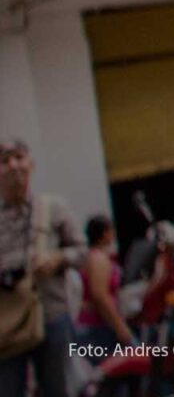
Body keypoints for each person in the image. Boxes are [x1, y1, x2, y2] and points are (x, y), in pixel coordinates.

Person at [0, 138, 85, 397]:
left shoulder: (54, 208)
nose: (13, 165)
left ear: (31, 165)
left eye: (19, 157)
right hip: (7, 326)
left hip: (51, 316)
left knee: (59, 389)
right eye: (4, 161)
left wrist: (58, 258)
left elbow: (82, 252)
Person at [75, 215, 132, 357]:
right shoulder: (98, 259)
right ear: (105, 233)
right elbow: (100, 295)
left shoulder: (94, 257)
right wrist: (119, 326)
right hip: (98, 326)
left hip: (97, 325)